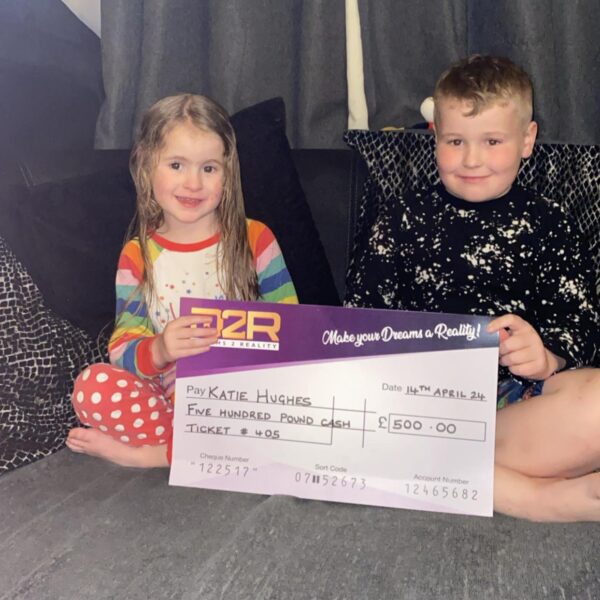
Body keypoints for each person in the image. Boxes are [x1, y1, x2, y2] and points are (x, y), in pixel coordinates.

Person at [345, 55, 600, 522]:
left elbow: (580, 325)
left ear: (527, 140)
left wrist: (548, 355)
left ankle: (436, 473)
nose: (472, 159)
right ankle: (530, 496)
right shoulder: (401, 218)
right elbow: (358, 322)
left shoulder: (551, 223)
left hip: (514, 407)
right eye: (455, 141)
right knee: (357, 415)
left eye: (492, 141)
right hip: (417, 408)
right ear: (435, 138)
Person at [67, 94, 297, 468]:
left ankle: (151, 457)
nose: (193, 183)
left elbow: (294, 329)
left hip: (245, 397)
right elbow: (122, 348)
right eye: (176, 165)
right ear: (146, 166)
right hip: (170, 401)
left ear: (228, 173)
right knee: (92, 387)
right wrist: (160, 349)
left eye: (209, 168)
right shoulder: (137, 255)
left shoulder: (256, 239)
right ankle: (194, 448)